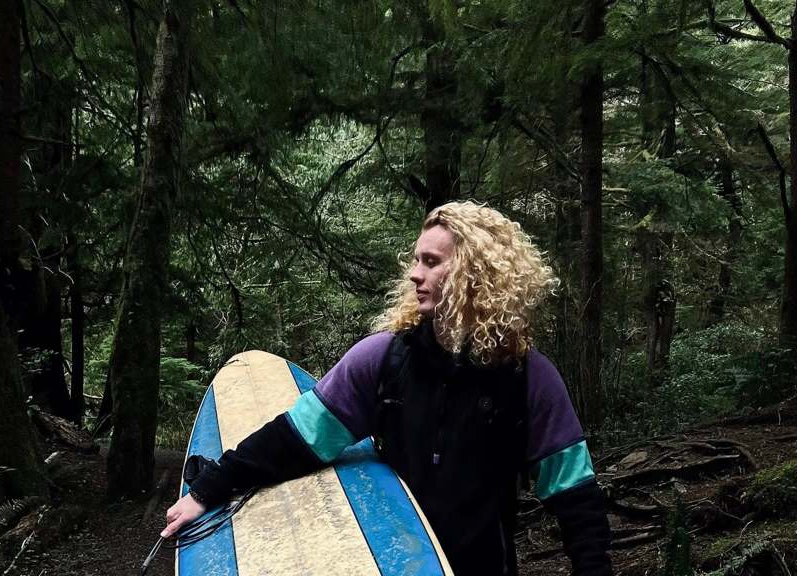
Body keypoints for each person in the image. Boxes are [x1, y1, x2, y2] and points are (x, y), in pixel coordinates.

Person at [162, 201, 612, 575]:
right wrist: (208, 490)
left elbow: (577, 501)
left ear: (476, 276)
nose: (415, 274)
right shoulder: (382, 360)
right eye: (416, 260)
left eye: (431, 263)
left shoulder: (528, 377)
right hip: (388, 562)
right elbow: (294, 438)